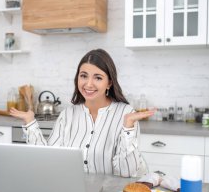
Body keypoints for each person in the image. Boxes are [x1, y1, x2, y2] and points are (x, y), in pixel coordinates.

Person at [10, 49, 155, 177]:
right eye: (84, 76)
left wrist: (128, 127)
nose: (89, 84)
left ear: (109, 83)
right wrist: (30, 122)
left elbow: (127, 173)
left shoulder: (126, 115)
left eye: (98, 77)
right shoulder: (67, 115)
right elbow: (49, 162)